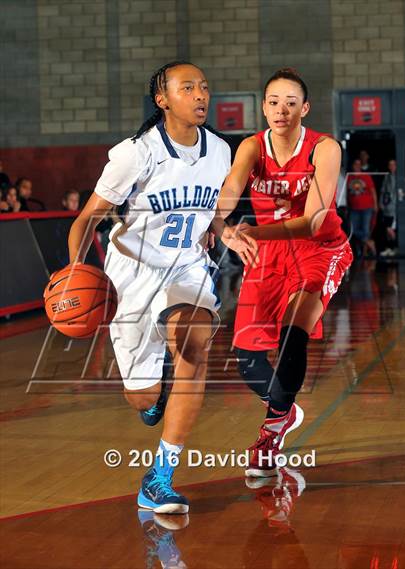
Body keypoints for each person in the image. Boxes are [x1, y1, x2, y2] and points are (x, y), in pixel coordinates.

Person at [68, 61, 254, 513]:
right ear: (162, 99)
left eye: (204, 87)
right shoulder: (136, 153)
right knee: (143, 397)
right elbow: (86, 219)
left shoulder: (219, 151)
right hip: (132, 274)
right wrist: (72, 272)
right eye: (187, 87)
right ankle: (156, 395)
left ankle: (160, 479)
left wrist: (223, 230)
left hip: (186, 268)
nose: (200, 94)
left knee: (194, 343)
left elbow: (210, 211)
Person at [214, 67, 353, 477]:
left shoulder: (324, 148)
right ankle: (286, 411)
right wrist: (221, 228)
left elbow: (312, 222)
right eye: (274, 102)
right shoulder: (251, 147)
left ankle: (271, 432)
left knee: (295, 332)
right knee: (247, 357)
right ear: (264, 107)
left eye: (291, 103)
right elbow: (229, 192)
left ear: (304, 109)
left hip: (318, 249)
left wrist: (250, 229)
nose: (281, 110)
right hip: (269, 254)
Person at [347, 158, 378, 257]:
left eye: (359, 164)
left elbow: (373, 191)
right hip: (354, 208)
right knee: (352, 230)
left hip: (367, 207)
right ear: (353, 166)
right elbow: (347, 193)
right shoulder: (349, 177)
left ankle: (365, 252)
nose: (357, 166)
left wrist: (375, 205)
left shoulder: (366, 176)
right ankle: (369, 243)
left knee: (366, 230)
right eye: (355, 164)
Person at [379, 159, 397, 257]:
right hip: (387, 207)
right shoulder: (387, 177)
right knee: (387, 228)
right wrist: (381, 202)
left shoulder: (399, 177)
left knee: (391, 229)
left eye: (393, 164)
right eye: (390, 165)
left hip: (394, 209)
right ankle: (389, 248)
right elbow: (383, 191)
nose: (391, 166)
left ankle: (393, 247)